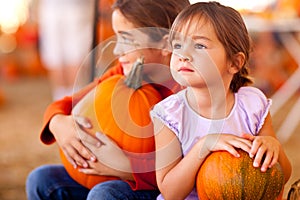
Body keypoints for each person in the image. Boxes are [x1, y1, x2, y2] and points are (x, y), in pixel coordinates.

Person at [26, 0, 190, 199]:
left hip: (156, 189)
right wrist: (58, 123)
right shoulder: (124, 74)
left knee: (104, 194)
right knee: (42, 180)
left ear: (165, 43)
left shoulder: (188, 91)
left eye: (127, 39)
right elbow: (65, 104)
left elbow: (187, 171)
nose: (116, 50)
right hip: (106, 178)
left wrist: (127, 168)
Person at [150, 2, 292, 199]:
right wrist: (204, 145)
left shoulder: (251, 106)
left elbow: (282, 175)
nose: (183, 55)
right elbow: (170, 192)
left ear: (234, 62)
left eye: (199, 45)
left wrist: (273, 147)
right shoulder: (169, 114)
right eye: (178, 46)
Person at [38, 0, 114, 100]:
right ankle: (60, 101)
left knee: (76, 54)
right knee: (54, 55)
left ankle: (76, 103)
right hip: (50, 5)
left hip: (79, 7)